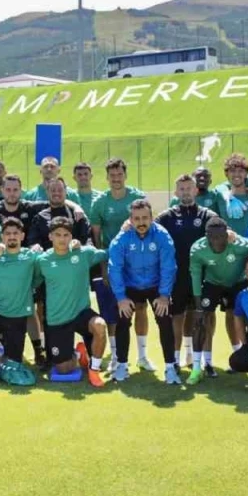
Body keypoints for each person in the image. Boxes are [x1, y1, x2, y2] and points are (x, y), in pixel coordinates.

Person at [189, 217, 248, 372]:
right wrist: (198, 306)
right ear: (206, 236)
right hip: (213, 282)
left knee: (245, 318)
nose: (217, 241)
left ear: (228, 234)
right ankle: (202, 365)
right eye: (212, 237)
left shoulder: (240, 244)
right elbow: (196, 276)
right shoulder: (197, 249)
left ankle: (247, 359)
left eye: (221, 236)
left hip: (238, 282)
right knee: (202, 318)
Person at [32, 217, 109, 387]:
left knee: (100, 325)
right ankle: (79, 354)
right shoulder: (42, 260)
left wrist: (126, 232)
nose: (62, 239)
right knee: (64, 369)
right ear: (50, 236)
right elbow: (33, 281)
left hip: (81, 313)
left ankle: (94, 369)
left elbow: (108, 252)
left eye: (66, 235)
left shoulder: (83, 253)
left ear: (71, 236)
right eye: (57, 234)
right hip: (58, 318)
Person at [106, 199, 176, 383]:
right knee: (123, 319)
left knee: (165, 318)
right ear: (130, 220)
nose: (141, 222)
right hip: (130, 285)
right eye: (136, 219)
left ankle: (170, 367)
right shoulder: (122, 238)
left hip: (155, 285)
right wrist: (121, 297)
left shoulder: (162, 236)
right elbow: (114, 268)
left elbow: (168, 266)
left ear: (152, 218)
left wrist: (164, 295)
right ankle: (122, 365)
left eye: (145, 218)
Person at [90, 158, 151, 370]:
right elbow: (97, 238)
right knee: (114, 310)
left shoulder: (137, 197)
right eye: (112, 175)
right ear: (107, 178)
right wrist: (103, 266)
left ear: (125, 175)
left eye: (119, 174)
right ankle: (116, 356)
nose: (116, 178)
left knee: (140, 307)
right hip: (113, 263)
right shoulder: (100, 202)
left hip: (137, 263)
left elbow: (149, 226)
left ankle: (142, 356)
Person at [155, 174, 220, 371]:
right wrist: (127, 225)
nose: (185, 192)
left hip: (204, 275)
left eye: (189, 188)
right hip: (178, 275)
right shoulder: (166, 217)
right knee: (177, 315)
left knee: (206, 315)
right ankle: (175, 359)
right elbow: (149, 229)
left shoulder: (208, 216)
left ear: (196, 190)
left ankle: (207, 361)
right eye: (181, 189)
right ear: (176, 192)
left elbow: (222, 234)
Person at [0, 218, 39, 374]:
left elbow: (38, 277)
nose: (11, 237)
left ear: (22, 236)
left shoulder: (31, 256)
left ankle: (0, 348)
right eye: (7, 234)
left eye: (15, 233)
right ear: (2, 237)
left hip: (18, 316)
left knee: (12, 364)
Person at [26, 178, 91, 248]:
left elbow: (88, 240)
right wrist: (35, 246)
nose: (56, 193)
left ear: (65, 192)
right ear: (47, 192)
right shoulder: (40, 217)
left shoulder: (77, 215)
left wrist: (80, 245)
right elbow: (33, 241)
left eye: (60, 190)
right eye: (53, 190)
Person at [217, 154, 248, 236]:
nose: (236, 174)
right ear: (226, 174)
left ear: (246, 174)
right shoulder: (220, 197)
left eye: (240, 171)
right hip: (230, 243)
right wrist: (228, 196)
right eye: (233, 171)